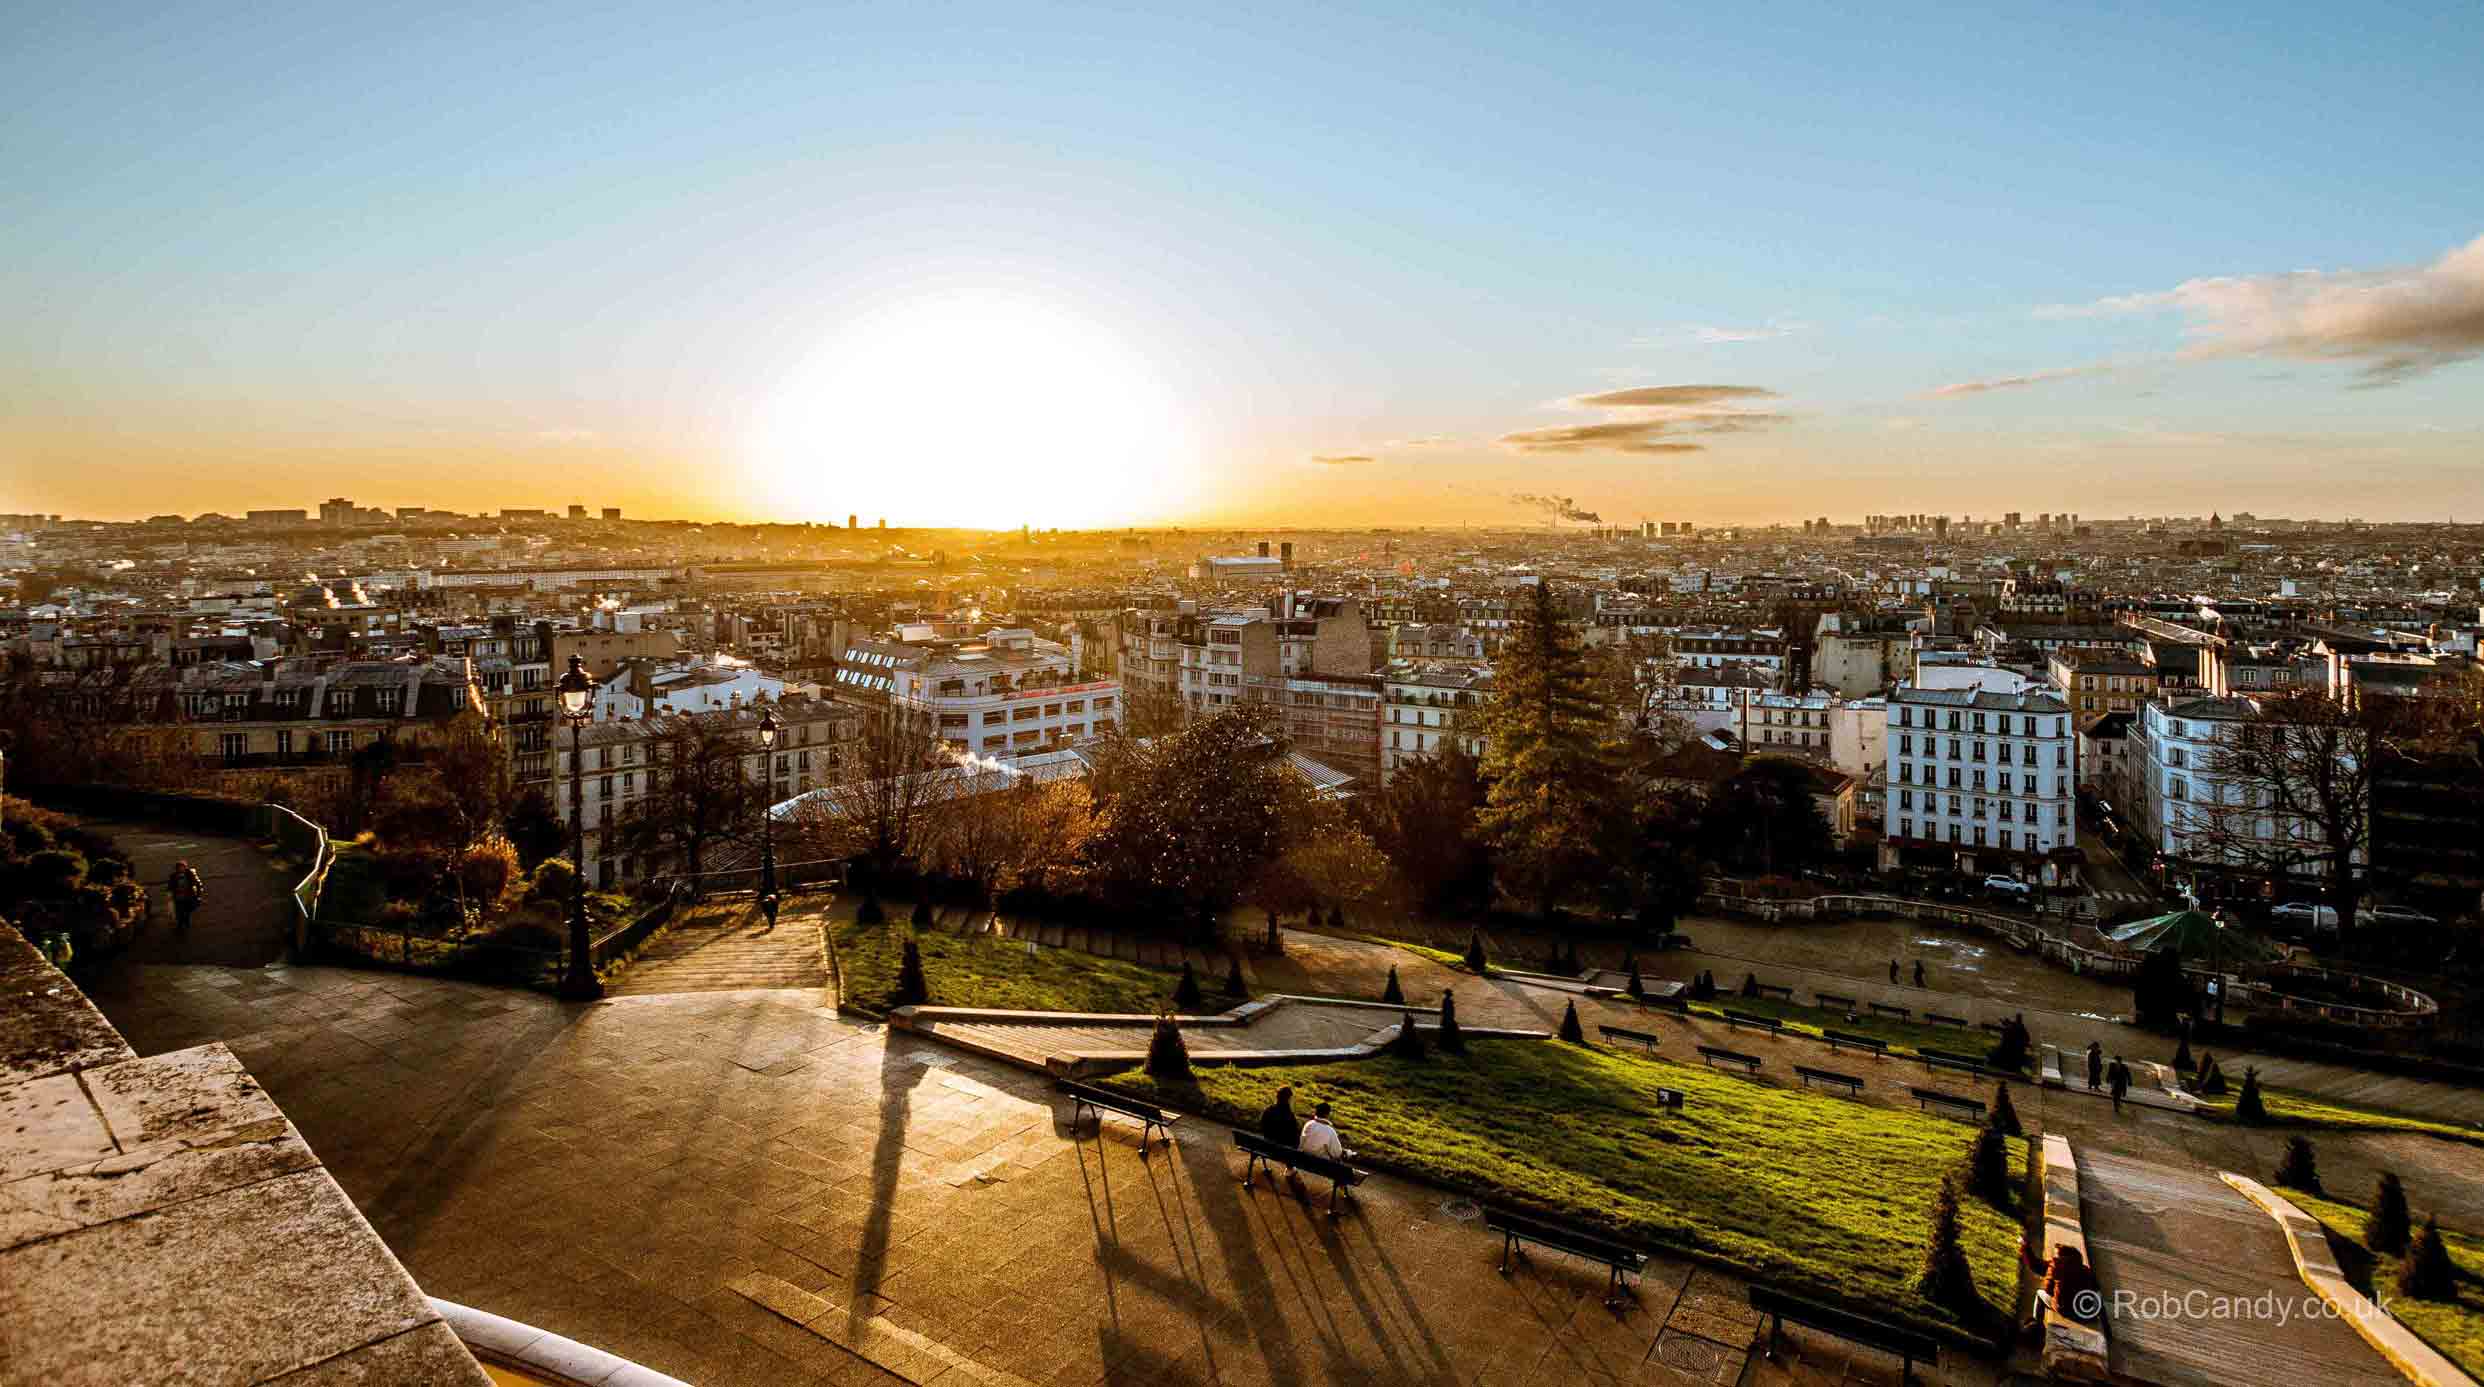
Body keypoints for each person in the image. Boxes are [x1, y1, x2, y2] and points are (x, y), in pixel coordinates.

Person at [169, 861, 204, 931]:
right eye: (179, 867)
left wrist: (198, 895)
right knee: (179, 912)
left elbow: (197, 884)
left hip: (188, 897)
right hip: (178, 897)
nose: (181, 869)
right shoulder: (173, 876)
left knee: (187, 911)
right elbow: (170, 886)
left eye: (182, 867)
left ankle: (185, 923)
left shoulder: (190, 874)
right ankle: (180, 925)